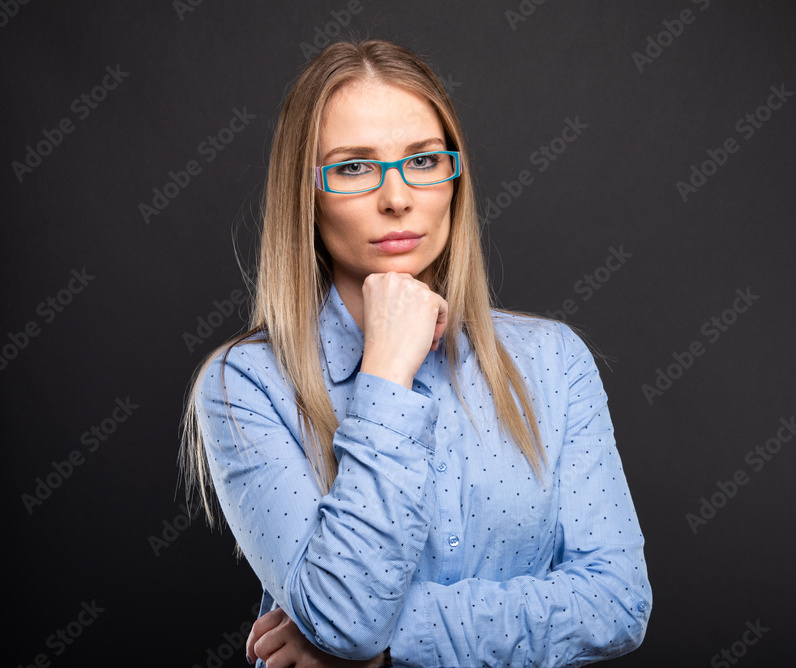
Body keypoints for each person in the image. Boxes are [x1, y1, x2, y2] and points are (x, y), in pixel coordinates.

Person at [180, 38, 652, 667]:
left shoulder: (553, 361)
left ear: (454, 179)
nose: (397, 197)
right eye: (352, 167)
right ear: (305, 194)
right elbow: (344, 619)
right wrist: (387, 370)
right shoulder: (245, 386)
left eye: (424, 160)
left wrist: (387, 643)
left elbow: (617, 604)